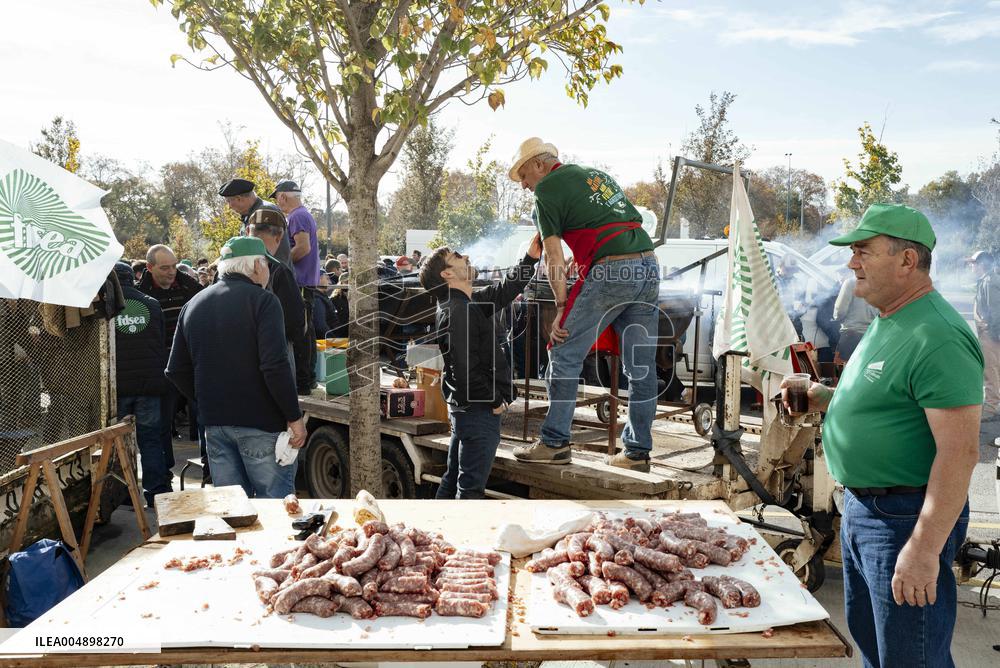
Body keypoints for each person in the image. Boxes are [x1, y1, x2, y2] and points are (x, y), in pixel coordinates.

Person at [783, 203, 981, 668]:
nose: (852, 262)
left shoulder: (938, 335)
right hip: (864, 512)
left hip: (902, 520)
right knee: (878, 650)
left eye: (863, 251)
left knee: (910, 658)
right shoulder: (890, 318)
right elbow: (889, 398)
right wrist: (824, 396)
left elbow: (960, 452)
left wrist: (923, 548)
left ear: (907, 261)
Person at [507, 137, 660, 471]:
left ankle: (555, 443)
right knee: (641, 368)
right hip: (648, 265)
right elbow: (610, 223)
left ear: (538, 165)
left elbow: (551, 253)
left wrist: (561, 305)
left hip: (614, 270)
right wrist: (586, 255)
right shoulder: (594, 174)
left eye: (524, 177)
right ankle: (636, 453)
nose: (524, 186)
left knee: (562, 350)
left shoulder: (546, 191)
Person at [166, 236, 307, 498]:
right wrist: (294, 416)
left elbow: (175, 370)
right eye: (266, 264)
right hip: (261, 424)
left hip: (215, 424)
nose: (267, 270)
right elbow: (275, 365)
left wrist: (207, 398)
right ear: (255, 266)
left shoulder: (193, 304)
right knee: (275, 510)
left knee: (233, 512)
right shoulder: (264, 301)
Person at [420, 234, 542, 498]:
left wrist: (530, 258)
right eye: (456, 257)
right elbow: (465, 369)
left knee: (453, 479)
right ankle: (460, 538)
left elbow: (504, 292)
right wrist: (494, 400)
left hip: (468, 410)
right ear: (447, 275)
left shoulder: (464, 304)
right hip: (478, 411)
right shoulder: (458, 311)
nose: (465, 256)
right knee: (470, 490)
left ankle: (436, 534)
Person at [137, 244, 201, 477]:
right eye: (165, 268)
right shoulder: (141, 294)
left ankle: (210, 468)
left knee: (203, 417)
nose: (171, 271)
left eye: (174, 266)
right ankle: (164, 471)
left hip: (191, 363)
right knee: (161, 423)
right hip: (160, 367)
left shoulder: (190, 287)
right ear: (150, 267)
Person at [112, 262, 171, 507]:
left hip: (119, 387)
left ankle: (124, 493)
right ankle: (156, 492)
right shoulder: (152, 304)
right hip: (149, 386)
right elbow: (161, 341)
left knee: (119, 443)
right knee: (151, 440)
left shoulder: (106, 306)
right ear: (132, 278)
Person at [247, 209, 307, 383]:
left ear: (247, 232)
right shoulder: (279, 271)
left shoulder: (225, 267)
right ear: (279, 237)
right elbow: (296, 323)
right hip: (273, 364)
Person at [218, 178, 291, 265]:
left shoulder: (264, 213)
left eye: (229, 201)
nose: (229, 206)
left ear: (239, 198)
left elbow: (261, 253)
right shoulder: (251, 215)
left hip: (274, 276)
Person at [968, 250, 1000, 421]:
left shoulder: (989, 282)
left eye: (973, 263)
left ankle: (990, 408)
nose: (971, 266)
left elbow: (996, 311)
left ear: (981, 264)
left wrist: (994, 335)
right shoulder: (987, 280)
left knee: (991, 371)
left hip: (991, 334)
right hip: (990, 333)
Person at [271, 180, 321, 288]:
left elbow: (303, 248)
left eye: (276, 198)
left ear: (283, 197)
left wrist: (279, 265)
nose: (277, 203)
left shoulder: (297, 216)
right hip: (304, 282)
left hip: (300, 283)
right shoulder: (301, 214)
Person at [833, 273, 878, 361]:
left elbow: (840, 311)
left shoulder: (851, 282)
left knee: (845, 371)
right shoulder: (880, 283)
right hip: (873, 336)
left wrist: (837, 318)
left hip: (851, 335)